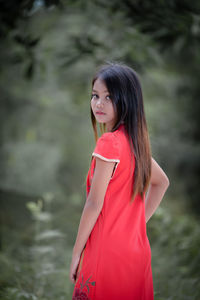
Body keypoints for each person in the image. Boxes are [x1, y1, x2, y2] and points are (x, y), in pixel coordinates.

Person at [69, 62, 170, 300]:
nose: (99, 103)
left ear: (127, 100)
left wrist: (76, 253)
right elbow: (162, 182)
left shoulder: (109, 143)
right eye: (95, 96)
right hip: (136, 251)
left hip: (106, 251)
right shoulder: (135, 143)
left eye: (109, 97)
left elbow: (94, 204)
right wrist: (136, 224)